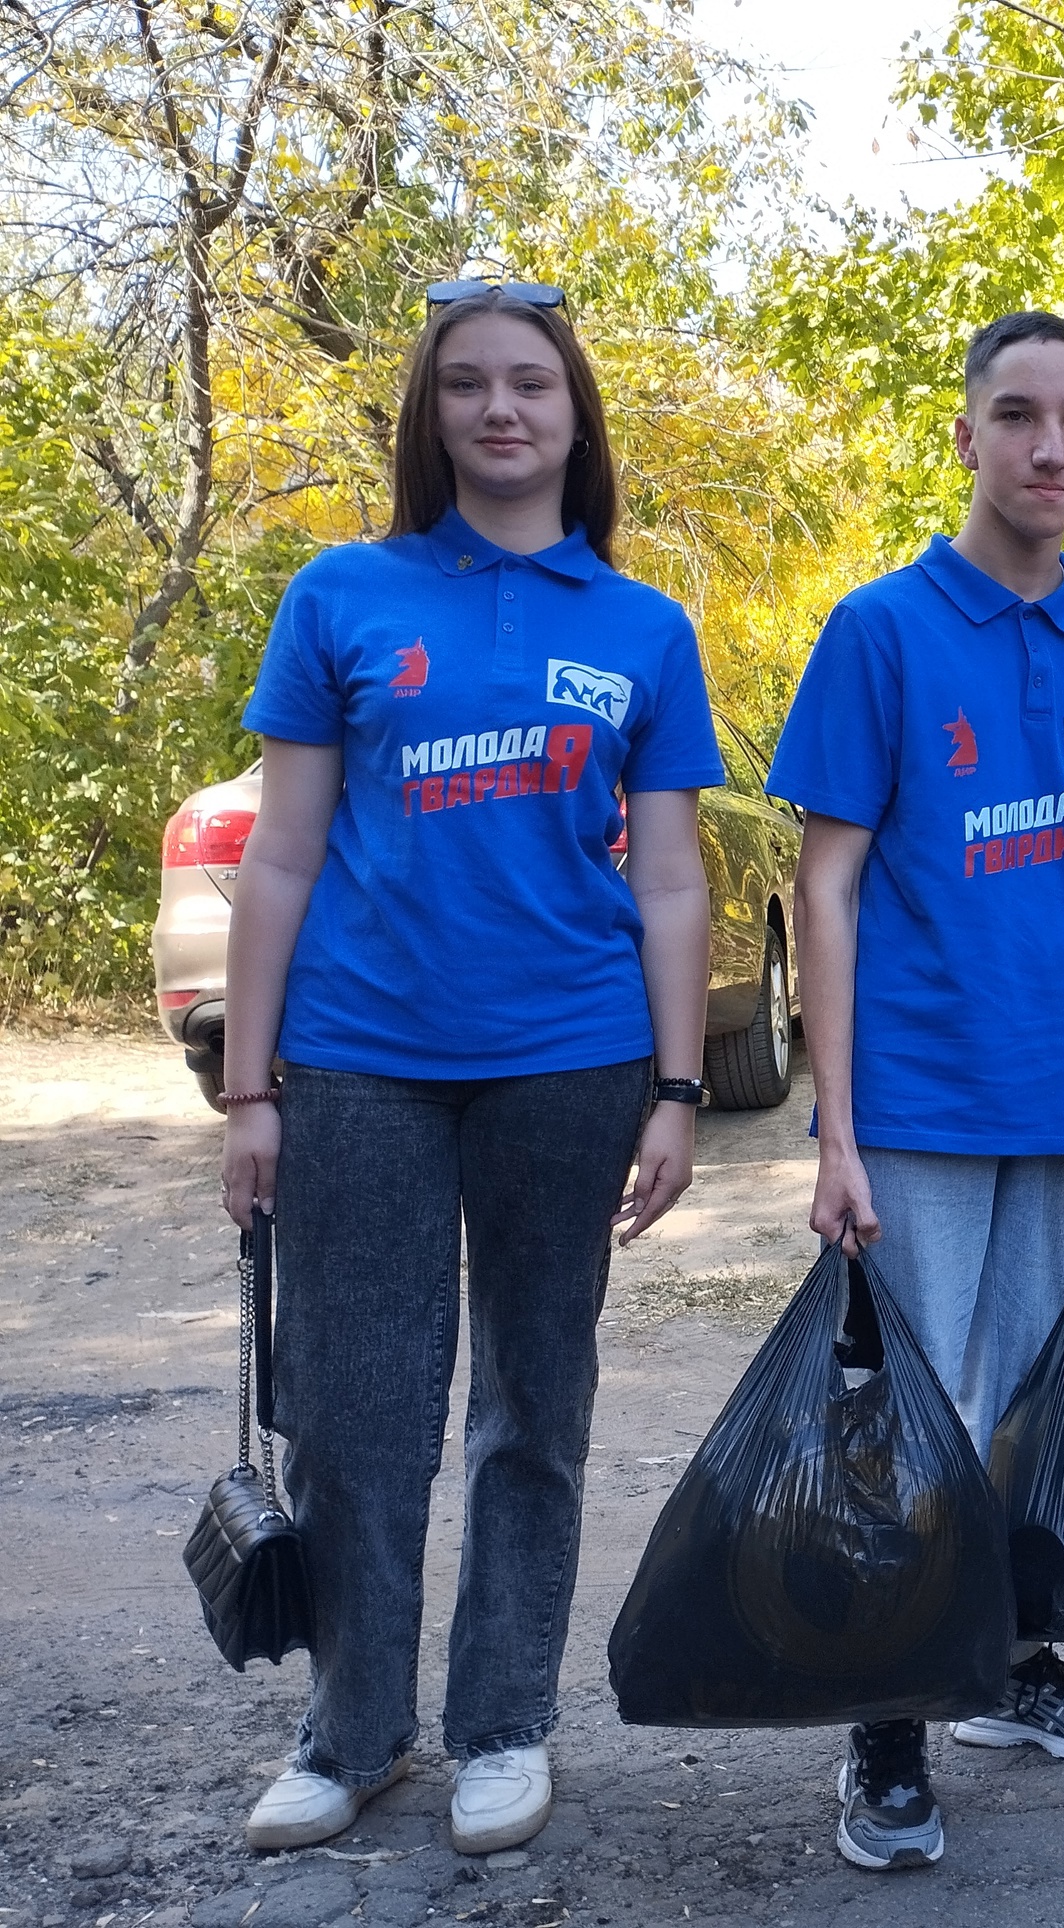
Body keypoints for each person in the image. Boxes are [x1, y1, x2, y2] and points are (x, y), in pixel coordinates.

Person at [219, 280, 725, 1856]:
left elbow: (671, 878)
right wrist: (250, 1089)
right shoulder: (342, 596)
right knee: (353, 1418)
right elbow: (283, 859)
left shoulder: (641, 627)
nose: (501, 411)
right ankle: (351, 1732)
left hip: (569, 1065)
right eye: (467, 388)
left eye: (530, 386)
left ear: (577, 418)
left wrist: (678, 1086)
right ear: (430, 419)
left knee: (532, 1407)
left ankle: (503, 1720)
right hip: (361, 1064)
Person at [768, 310, 1064, 1873]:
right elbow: (831, 886)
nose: (1050, 448)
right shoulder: (882, 631)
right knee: (908, 1420)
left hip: (1062, 1106)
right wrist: (841, 1127)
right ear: (964, 434)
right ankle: (885, 1719)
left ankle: (1002, 1660)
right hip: (924, 1105)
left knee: (1014, 1413)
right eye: (1017, 415)